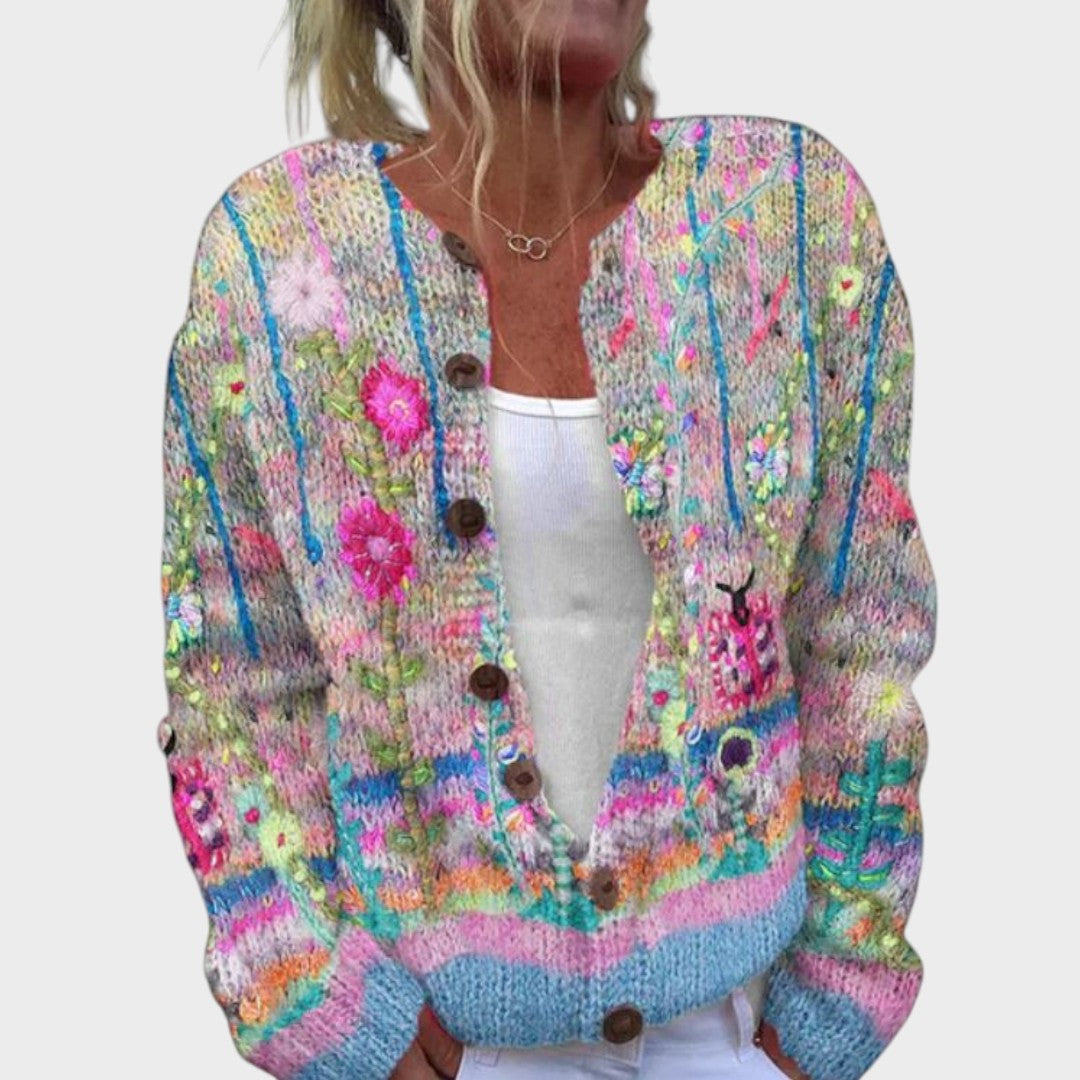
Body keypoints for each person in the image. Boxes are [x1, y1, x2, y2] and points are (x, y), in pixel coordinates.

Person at [156, 2, 937, 1079]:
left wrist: (831, 1010)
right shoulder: (280, 255)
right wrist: (326, 1015)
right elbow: (236, 686)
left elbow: (861, 634)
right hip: (433, 1042)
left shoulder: (785, 214)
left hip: (736, 1037)